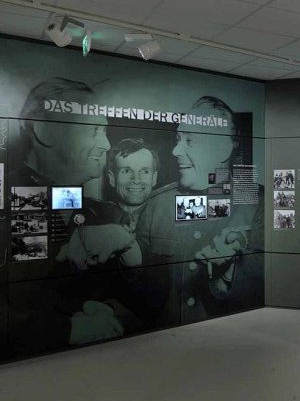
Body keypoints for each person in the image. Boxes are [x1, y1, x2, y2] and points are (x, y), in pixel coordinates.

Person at [8, 78, 143, 354]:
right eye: (93, 130)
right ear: (46, 131)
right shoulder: (12, 199)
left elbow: (155, 296)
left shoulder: (107, 214)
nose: (106, 144)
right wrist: (68, 330)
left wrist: (129, 247)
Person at [124, 96, 265, 326]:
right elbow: (140, 295)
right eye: (178, 139)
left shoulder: (257, 203)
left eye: (190, 141)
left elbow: (269, 289)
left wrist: (228, 270)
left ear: (225, 148)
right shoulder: (158, 204)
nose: (176, 150)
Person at [106, 138, 159, 228]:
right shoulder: (100, 222)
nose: (136, 180)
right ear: (112, 178)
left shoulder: (166, 219)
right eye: (126, 171)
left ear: (154, 178)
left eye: (144, 171)